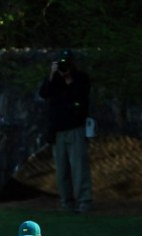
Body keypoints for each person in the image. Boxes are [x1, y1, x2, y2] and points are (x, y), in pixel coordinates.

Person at [39, 49, 93, 213]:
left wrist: (69, 79)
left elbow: (81, 96)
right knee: (62, 169)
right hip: (58, 130)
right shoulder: (54, 80)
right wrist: (52, 74)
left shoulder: (80, 79)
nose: (64, 67)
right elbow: (44, 93)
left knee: (78, 166)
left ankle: (84, 201)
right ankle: (66, 202)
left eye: (66, 63)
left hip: (75, 127)